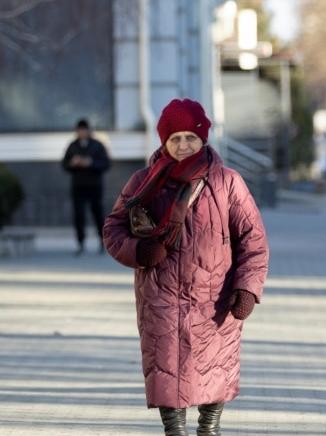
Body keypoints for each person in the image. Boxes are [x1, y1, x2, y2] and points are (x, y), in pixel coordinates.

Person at [103, 99, 269, 436]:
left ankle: (210, 427)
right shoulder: (142, 182)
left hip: (216, 299)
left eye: (189, 138)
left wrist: (247, 289)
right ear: (163, 141)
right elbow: (113, 229)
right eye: (174, 138)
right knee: (166, 366)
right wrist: (139, 250)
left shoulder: (227, 182)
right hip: (160, 298)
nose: (182, 145)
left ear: (203, 139)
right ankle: (173, 430)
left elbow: (253, 240)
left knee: (215, 366)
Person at [62, 119, 111, 255]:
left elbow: (106, 163)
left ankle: (102, 242)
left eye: (84, 130)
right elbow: (64, 165)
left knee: (98, 214)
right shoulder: (72, 146)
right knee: (79, 215)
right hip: (78, 186)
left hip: (94, 186)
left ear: (89, 130)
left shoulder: (97, 145)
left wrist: (90, 163)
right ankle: (80, 243)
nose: (82, 133)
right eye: (80, 130)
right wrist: (73, 163)